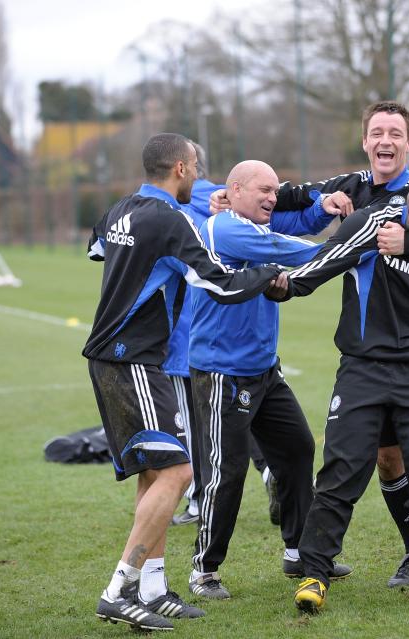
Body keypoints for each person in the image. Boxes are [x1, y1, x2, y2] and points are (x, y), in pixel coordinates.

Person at [213, 101, 409, 589]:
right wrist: (225, 201)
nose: (386, 140)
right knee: (386, 460)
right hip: (367, 357)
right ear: (365, 142)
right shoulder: (354, 191)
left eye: (396, 133)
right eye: (377, 132)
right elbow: (292, 200)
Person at [269, 154, 409, 613]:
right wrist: (288, 284)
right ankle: (315, 573)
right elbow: (327, 260)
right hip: (362, 368)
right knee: (343, 469)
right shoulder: (375, 223)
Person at [83, 133, 281, 631]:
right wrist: (268, 273)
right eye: (195, 165)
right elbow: (219, 281)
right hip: (135, 362)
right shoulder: (171, 220)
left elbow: (98, 253)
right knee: (178, 473)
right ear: (179, 168)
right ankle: (119, 588)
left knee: (155, 474)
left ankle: (152, 587)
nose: (199, 173)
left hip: (128, 358)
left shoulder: (120, 210)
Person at [187, 160, 352, 600]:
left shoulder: (254, 223)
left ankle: (299, 551)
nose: (271, 198)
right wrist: (356, 245)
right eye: (263, 190)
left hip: (265, 371)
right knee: (228, 470)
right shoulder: (223, 228)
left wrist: (325, 210)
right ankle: (204, 570)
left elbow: (296, 222)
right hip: (223, 373)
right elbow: (290, 247)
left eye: (275, 192)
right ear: (234, 189)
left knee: (297, 448)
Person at [166, 143, 281, 529]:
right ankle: (270, 473)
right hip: (239, 337)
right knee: (237, 416)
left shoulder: (176, 201)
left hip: (194, 336)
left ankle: (202, 514)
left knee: (205, 424)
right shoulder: (224, 196)